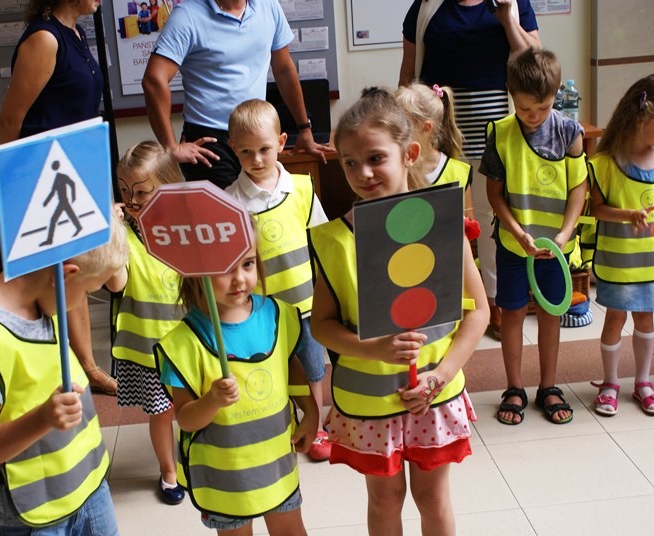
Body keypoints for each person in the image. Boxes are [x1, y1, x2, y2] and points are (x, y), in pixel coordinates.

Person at [308, 87, 489, 535]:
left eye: (375, 158)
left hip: (434, 391)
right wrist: (373, 348)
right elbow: (322, 326)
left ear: (409, 154)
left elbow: (478, 312)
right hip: (369, 400)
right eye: (350, 162)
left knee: (432, 497)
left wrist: (441, 375)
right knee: (384, 499)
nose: (363, 172)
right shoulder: (334, 241)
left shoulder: (444, 225)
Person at [0, 214, 129, 533]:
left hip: (88, 489)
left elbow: (117, 280)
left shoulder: (44, 298)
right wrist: (43, 418)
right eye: (87, 291)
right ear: (65, 275)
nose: (82, 300)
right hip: (32, 515)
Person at [155, 240, 319, 535]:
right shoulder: (184, 343)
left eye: (248, 264)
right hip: (226, 480)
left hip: (277, 464)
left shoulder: (276, 315)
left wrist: (310, 411)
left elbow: (290, 366)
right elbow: (186, 418)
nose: (240, 278)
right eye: (224, 269)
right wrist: (212, 400)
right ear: (196, 274)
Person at [400, 0, 541, 340]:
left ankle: (493, 301)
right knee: (436, 219)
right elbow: (408, 75)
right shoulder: (427, 6)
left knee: (491, 219)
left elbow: (534, 65)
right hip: (437, 134)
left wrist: (509, 21)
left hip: (495, 133)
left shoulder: (512, 3)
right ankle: (438, 302)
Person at [0, 0, 115, 396]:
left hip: (74, 169)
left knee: (74, 271)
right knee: (53, 276)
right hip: (43, 175)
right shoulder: (45, 39)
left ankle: (87, 367)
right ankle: (57, 369)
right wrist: (18, 186)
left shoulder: (75, 34)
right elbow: (10, 120)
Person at [481, 48, 588, 425]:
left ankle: (548, 386)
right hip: (514, 246)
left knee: (550, 313)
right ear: (511, 94)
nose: (533, 116)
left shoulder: (570, 132)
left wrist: (565, 233)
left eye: (542, 107)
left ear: (555, 94)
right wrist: (517, 232)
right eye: (525, 108)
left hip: (555, 249)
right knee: (511, 313)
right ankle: (514, 387)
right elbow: (494, 194)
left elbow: (578, 188)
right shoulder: (500, 133)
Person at [225, 99, 331, 461]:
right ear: (233, 149)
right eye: (246, 151)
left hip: (306, 305)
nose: (256, 159)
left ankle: (317, 426)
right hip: (262, 310)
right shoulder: (230, 201)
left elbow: (322, 242)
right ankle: (282, 424)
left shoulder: (301, 187)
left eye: (264, 149)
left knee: (313, 367)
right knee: (274, 366)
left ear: (282, 142)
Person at [141, 0, 333, 189]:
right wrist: (171, 148)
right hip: (211, 142)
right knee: (227, 210)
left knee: (262, 206)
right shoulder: (187, 15)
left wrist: (304, 128)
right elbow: (153, 80)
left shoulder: (269, 5)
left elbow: (283, 70)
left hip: (255, 132)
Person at [110, 141, 187, 504]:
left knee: (195, 406)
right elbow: (116, 284)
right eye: (125, 191)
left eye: (141, 192)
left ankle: (196, 460)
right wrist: (112, 233)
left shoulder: (188, 228)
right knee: (162, 413)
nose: (132, 200)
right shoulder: (125, 236)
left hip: (188, 345)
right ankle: (169, 472)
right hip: (146, 349)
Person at [587, 75, 654, 416]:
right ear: (641, 117)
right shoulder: (605, 163)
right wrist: (628, 215)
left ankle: (643, 382)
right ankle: (610, 383)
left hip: (650, 263)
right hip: (618, 262)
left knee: (646, 318)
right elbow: (596, 209)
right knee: (615, 318)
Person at [395, 82, 472, 199]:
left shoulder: (458, 172)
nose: (393, 132)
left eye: (402, 125)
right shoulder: (391, 167)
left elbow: (467, 211)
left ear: (426, 128)